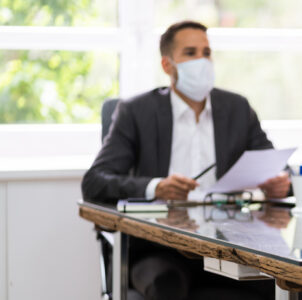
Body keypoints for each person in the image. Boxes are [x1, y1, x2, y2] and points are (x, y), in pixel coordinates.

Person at [82, 20, 290, 299]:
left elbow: (275, 164)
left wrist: (280, 183)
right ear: (168, 65)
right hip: (159, 248)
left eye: (206, 52)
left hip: (227, 247)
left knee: (292, 281)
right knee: (166, 285)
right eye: (190, 53)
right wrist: (155, 187)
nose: (202, 61)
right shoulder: (136, 112)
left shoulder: (237, 108)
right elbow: (95, 181)